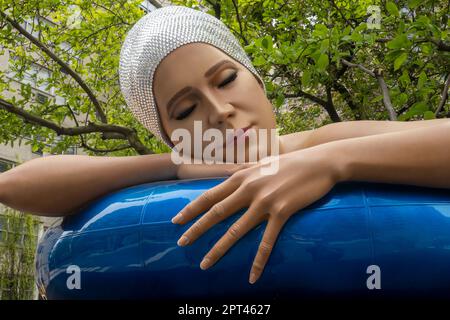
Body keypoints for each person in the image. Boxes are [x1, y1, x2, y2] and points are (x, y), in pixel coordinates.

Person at [1, 5, 449, 285]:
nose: (218, 111)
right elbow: (16, 185)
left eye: (227, 79)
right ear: (171, 134)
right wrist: (175, 164)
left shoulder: (319, 142)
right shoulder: (185, 163)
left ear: (256, 78)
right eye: (184, 111)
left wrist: (332, 162)